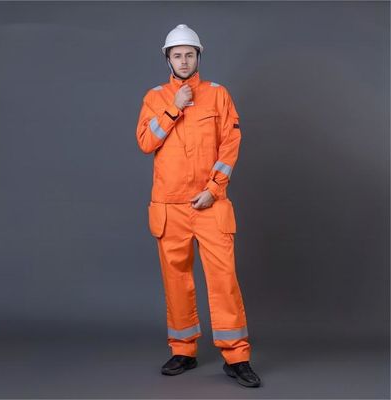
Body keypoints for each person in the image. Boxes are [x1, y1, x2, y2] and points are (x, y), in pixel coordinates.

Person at [135, 24, 261, 388]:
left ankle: (236, 357)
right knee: (176, 281)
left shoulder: (218, 95)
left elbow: (230, 145)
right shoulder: (155, 98)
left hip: (210, 204)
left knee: (223, 280)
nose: (184, 61)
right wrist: (173, 109)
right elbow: (145, 142)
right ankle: (183, 350)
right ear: (167, 59)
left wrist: (214, 188)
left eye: (189, 54)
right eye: (177, 55)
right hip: (169, 206)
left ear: (198, 56)